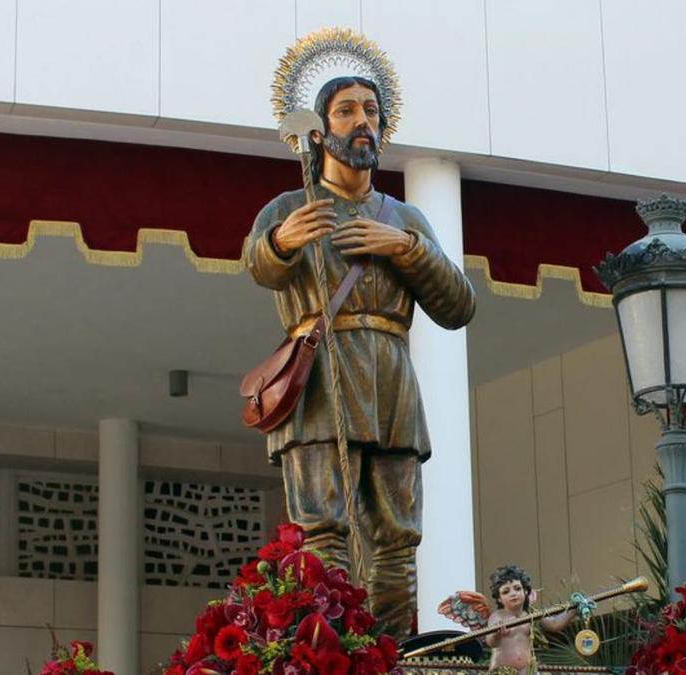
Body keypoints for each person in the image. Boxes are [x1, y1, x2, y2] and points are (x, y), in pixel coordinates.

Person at [246, 75, 475, 639]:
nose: (362, 121)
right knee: (322, 530)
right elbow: (258, 266)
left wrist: (406, 249)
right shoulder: (288, 206)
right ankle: (327, 649)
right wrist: (280, 241)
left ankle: (393, 652)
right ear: (322, 132)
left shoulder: (405, 219)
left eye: (371, 110)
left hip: (390, 375)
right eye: (346, 111)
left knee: (396, 538)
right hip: (320, 375)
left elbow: (458, 306)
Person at [483, 565, 578, 675]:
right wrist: (496, 634)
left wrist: (573, 611)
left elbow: (553, 624)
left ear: (526, 591)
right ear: (499, 598)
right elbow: (490, 642)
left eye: (517, 588)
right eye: (506, 592)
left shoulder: (531, 614)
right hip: (502, 671)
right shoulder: (498, 616)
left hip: (527, 671)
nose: (513, 594)